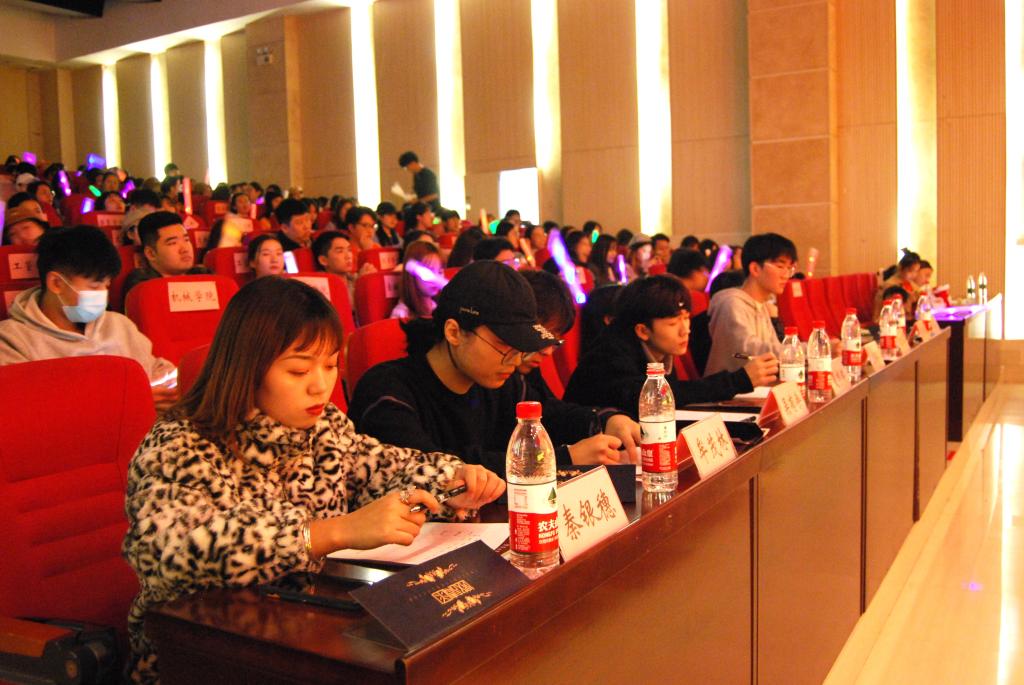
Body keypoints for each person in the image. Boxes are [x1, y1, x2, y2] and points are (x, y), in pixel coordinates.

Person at [122, 276, 504, 683]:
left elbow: (383, 464)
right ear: (246, 367)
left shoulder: (322, 426)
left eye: (330, 365)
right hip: (206, 654)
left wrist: (452, 480)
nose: (320, 385)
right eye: (299, 369)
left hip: (307, 628)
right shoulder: (180, 443)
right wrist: (329, 532)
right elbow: (172, 549)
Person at [349, 261, 639, 476]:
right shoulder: (387, 393)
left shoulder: (501, 381)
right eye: (503, 344)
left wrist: (604, 420)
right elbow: (433, 471)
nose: (515, 359)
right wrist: (562, 458)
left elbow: (550, 415)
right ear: (454, 332)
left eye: (521, 345)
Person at [0, 226, 177, 409]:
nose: (103, 295)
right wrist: (127, 401)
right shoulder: (13, 340)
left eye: (106, 286)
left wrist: (176, 386)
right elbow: (27, 411)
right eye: (94, 287)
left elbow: (157, 372)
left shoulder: (119, 325)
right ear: (56, 283)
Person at [564, 275, 777, 417]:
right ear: (643, 330)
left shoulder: (658, 348)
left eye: (686, 318)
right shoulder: (609, 356)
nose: (685, 330)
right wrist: (738, 381)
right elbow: (659, 397)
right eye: (673, 323)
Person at [704, 233, 795, 375]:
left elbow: (773, 348)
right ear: (755, 269)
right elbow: (748, 351)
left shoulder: (760, 305)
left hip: (758, 384)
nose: (786, 275)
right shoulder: (731, 304)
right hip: (731, 387)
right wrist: (803, 351)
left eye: (790, 268)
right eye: (780, 266)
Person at [122, 211, 208, 301]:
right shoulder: (143, 286)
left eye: (186, 240)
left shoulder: (202, 275)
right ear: (151, 253)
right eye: (173, 243)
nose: (185, 250)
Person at [390, 241, 444, 319]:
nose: (436, 279)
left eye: (440, 272)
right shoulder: (401, 314)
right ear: (412, 275)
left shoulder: (437, 306)